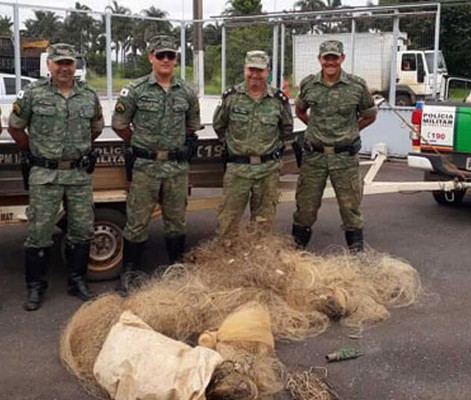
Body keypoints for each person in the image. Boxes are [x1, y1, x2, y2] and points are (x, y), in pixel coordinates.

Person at [8, 43, 104, 311]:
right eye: (59, 62)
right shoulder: (33, 93)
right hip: (45, 174)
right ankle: (36, 287)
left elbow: (95, 128)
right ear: (49, 65)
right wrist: (36, 151)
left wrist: (76, 151)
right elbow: (15, 128)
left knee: (82, 231)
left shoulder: (88, 95)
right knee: (39, 232)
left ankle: (77, 281)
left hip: (78, 174)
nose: (64, 67)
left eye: (69, 63)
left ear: (75, 66)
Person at [112, 35, 201, 290]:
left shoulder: (186, 91)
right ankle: (129, 272)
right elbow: (120, 124)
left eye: (170, 56)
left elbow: (192, 127)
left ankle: (176, 268)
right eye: (160, 55)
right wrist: (140, 143)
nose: (165, 60)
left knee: (176, 221)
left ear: (176, 60)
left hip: (175, 168)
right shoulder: (136, 90)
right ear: (151, 57)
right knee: (137, 221)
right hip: (145, 167)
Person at [292, 40, 377, 252]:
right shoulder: (309, 84)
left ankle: (357, 256)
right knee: (305, 207)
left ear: (342, 58)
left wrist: (350, 130)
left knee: (350, 208)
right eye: (326, 58)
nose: (330, 62)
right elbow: (300, 111)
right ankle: (295, 255)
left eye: (335, 57)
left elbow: (370, 115)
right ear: (319, 59)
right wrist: (316, 128)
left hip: (345, 158)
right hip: (314, 158)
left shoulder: (356, 86)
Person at [213, 50, 293, 238]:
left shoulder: (278, 100)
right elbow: (219, 126)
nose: (255, 74)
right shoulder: (231, 97)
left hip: (267, 170)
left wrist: (267, 149)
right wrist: (237, 147)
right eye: (251, 69)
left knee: (263, 223)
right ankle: (227, 258)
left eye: (260, 70)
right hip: (238, 170)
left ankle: (258, 260)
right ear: (245, 69)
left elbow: (286, 129)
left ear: (268, 71)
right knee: (228, 221)